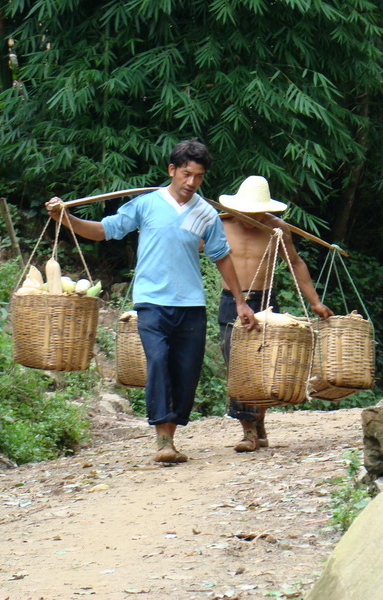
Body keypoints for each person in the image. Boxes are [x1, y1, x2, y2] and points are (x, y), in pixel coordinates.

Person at [45, 139, 256, 463]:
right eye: (186, 174)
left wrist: (241, 302)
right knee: (158, 362)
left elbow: (220, 256)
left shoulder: (206, 214)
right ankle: (163, 441)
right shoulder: (146, 205)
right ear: (171, 170)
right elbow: (105, 230)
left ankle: (170, 437)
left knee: (185, 371)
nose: (191, 182)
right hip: (151, 302)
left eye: (198, 177)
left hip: (190, 305)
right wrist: (67, 220)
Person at [217, 175, 333, 452]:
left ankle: (257, 423)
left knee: (263, 366)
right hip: (231, 301)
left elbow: (295, 262)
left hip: (264, 301)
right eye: (246, 211)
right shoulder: (220, 225)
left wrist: (315, 301)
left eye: (256, 212)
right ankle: (248, 431)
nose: (250, 217)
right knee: (238, 367)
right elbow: (187, 246)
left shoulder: (276, 229)